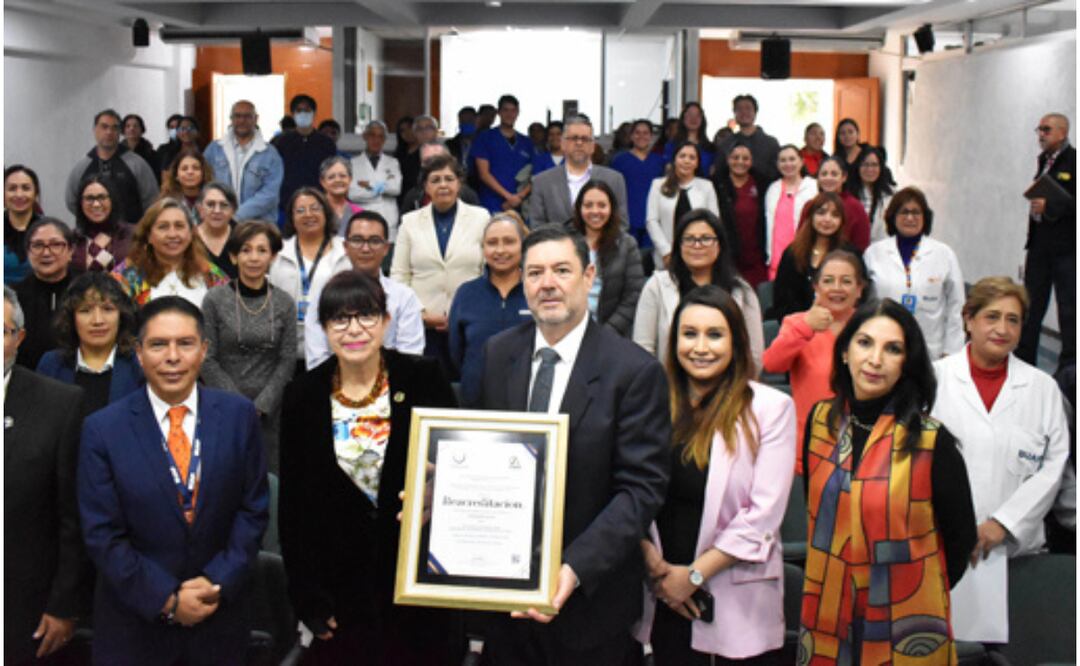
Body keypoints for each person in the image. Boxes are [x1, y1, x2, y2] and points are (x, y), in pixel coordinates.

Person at [476, 224, 671, 664]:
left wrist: (574, 567)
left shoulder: (633, 372)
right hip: (506, 602)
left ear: (589, 276)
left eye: (562, 270)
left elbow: (641, 491)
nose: (547, 283)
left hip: (591, 605)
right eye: (535, 273)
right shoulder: (496, 354)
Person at [78, 296, 269, 665]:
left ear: (204, 350)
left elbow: (253, 510)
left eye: (185, 343)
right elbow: (102, 533)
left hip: (218, 623)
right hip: (134, 630)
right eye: (158, 344)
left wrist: (216, 582)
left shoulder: (238, 416)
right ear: (138, 352)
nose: (172, 357)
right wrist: (166, 598)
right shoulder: (103, 429)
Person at [279, 271, 458, 664]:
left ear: (387, 322)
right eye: (339, 319)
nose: (354, 329)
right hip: (339, 589)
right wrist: (306, 594)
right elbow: (293, 509)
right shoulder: (302, 395)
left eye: (366, 316)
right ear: (324, 328)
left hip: (419, 580)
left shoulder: (423, 378)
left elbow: (456, 467)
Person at [799, 298, 977, 664]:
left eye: (892, 349)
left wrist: (911, 591)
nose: (875, 359)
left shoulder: (931, 441)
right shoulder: (820, 424)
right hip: (828, 617)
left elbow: (960, 542)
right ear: (845, 352)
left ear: (906, 364)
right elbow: (816, 513)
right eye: (864, 343)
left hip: (906, 624)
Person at [635, 285, 795, 665]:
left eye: (715, 335)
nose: (701, 347)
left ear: (736, 342)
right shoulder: (651, 402)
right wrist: (655, 568)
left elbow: (762, 516)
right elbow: (626, 491)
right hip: (658, 595)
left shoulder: (771, 409)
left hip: (731, 598)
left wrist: (689, 578)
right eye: (689, 334)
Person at [931, 278, 1069, 641]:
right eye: (992, 316)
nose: (1002, 329)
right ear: (968, 319)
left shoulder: (1042, 389)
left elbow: (1053, 467)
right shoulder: (934, 380)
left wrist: (1003, 524)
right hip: (937, 551)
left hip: (1016, 556)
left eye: (1013, 320)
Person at [4, 286, 91, 666]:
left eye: (1, 329)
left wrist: (64, 605)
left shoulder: (59, 403)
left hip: (25, 605)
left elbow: (73, 517)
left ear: (19, 338)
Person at [201, 221, 296, 474]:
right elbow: (206, 358)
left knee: (266, 479)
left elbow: (287, 360)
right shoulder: (214, 299)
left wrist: (261, 405)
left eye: (262, 250)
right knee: (221, 477)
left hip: (269, 410)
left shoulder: (284, 302)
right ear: (233, 256)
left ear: (273, 256)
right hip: (221, 406)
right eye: (245, 250)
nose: (254, 258)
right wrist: (237, 404)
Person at [762, 250, 865, 470]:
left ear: (859, 290)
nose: (837, 288)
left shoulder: (872, 325)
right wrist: (806, 328)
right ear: (816, 287)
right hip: (810, 447)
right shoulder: (798, 323)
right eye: (828, 281)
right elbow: (772, 364)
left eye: (846, 281)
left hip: (861, 446)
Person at [634, 209, 764, 374]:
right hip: (669, 390)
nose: (697, 245)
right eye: (689, 239)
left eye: (705, 239)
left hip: (728, 391)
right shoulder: (657, 286)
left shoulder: (741, 290)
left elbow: (753, 355)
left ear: (719, 244)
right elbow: (643, 350)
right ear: (678, 245)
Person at [391, 154, 487, 375]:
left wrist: (459, 313)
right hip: (422, 325)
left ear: (459, 183)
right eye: (435, 180)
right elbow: (399, 275)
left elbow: (486, 271)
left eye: (448, 178)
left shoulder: (481, 218)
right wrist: (420, 314)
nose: (442, 185)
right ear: (425, 186)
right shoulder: (410, 222)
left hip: (469, 323)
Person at [304, 210, 425, 369]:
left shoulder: (403, 297)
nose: (366, 249)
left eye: (374, 241)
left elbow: (410, 358)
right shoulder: (324, 294)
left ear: (386, 248)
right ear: (345, 246)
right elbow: (317, 359)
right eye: (357, 240)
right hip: (332, 385)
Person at [863, 186, 965, 359]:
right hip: (882, 344)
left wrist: (952, 350)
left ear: (925, 217)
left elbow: (957, 305)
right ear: (893, 216)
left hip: (931, 348)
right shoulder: (874, 253)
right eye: (904, 212)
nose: (910, 218)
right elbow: (864, 302)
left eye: (916, 212)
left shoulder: (943, 254)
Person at [448, 211, 531, 407]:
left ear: (523, 246)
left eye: (509, 241)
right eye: (492, 243)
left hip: (527, 401)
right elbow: (456, 352)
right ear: (483, 248)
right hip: (475, 400)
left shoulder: (536, 290)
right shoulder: (466, 293)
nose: (500, 250)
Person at [37, 272, 144, 419]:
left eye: (108, 309)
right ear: (71, 318)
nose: (98, 321)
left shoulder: (138, 364)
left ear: (121, 316)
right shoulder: (52, 365)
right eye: (85, 311)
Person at [1018, 112, 1075, 372]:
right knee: (1031, 306)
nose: (1041, 135)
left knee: (1068, 311)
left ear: (1062, 133)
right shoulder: (1044, 161)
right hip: (1039, 247)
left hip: (1066, 251)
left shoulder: (1073, 162)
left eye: (1046, 129)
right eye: (1039, 129)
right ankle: (1024, 361)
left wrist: (1050, 205)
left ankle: (1068, 369)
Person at [269, 187, 351, 369]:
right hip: (286, 346)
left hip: (333, 345)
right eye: (300, 210)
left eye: (315, 208)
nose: (308, 215)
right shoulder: (278, 252)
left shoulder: (345, 250)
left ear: (326, 212)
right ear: (291, 217)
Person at [112, 197, 229, 307]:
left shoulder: (210, 274)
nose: (172, 235)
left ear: (191, 234)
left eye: (179, 226)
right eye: (163, 227)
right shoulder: (129, 274)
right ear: (148, 236)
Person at [568, 180, 643, 337]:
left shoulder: (627, 244)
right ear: (579, 208)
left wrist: (606, 333)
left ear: (612, 209)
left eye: (602, 205)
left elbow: (633, 295)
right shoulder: (564, 241)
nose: (595, 211)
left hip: (611, 334)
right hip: (568, 330)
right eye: (588, 205)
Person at [771, 192, 859, 322]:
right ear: (811, 216)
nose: (827, 219)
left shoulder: (851, 255)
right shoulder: (792, 253)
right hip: (800, 327)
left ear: (841, 221)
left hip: (841, 326)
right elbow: (782, 301)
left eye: (835, 215)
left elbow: (858, 298)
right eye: (821, 212)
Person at [65, 109, 159, 227]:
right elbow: (72, 201)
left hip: (130, 238)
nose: (109, 132)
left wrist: (138, 230)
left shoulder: (137, 165)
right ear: (95, 130)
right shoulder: (82, 167)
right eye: (104, 127)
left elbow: (152, 200)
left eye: (114, 128)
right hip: (92, 235)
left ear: (120, 132)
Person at [530, 115, 629, 228]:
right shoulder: (541, 182)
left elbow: (621, 225)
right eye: (573, 138)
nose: (579, 143)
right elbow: (537, 227)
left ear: (593, 146)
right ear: (563, 144)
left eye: (585, 139)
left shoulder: (614, 180)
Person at [202, 100, 285, 221]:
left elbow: (270, 194)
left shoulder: (270, 154)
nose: (242, 120)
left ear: (256, 119)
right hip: (220, 223)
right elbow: (205, 184)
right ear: (231, 118)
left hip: (259, 226)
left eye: (247, 116)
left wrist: (237, 216)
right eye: (237, 116)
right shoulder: (214, 149)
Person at [14, 218, 78, 369]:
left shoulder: (87, 290)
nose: (46, 252)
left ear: (70, 251)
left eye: (56, 244)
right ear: (28, 252)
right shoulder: (13, 297)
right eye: (38, 245)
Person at [646, 141, 720, 269]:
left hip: (699, 255)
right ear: (674, 159)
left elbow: (714, 222)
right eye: (682, 156)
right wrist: (666, 251)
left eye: (692, 157)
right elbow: (651, 221)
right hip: (666, 258)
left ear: (697, 163)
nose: (687, 161)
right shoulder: (658, 185)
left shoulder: (706, 186)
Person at [712, 139, 769, 288]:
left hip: (756, 255)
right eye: (735, 157)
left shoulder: (762, 183)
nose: (740, 162)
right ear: (728, 160)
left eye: (745, 158)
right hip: (727, 255)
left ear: (751, 161)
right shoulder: (717, 184)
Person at [611, 120, 665, 265]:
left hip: (653, 219)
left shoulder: (660, 161)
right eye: (637, 133)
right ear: (631, 136)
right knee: (627, 261)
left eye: (645, 133)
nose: (641, 136)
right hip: (627, 220)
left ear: (651, 136)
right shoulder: (619, 161)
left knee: (651, 262)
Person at [272, 94, 339, 212]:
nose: (303, 113)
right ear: (293, 114)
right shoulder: (279, 142)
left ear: (314, 113)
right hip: (285, 203)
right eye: (299, 110)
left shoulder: (326, 143)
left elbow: (331, 173)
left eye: (307, 110)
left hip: (318, 202)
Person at [472, 94, 534, 213]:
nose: (509, 114)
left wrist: (519, 197)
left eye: (513, 110)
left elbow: (534, 175)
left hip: (520, 204)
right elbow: (484, 174)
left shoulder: (527, 142)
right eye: (505, 110)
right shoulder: (485, 138)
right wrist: (508, 197)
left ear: (518, 113)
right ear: (498, 112)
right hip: (492, 202)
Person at [764, 144, 817, 280]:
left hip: (804, 257)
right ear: (777, 164)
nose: (788, 164)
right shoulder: (772, 189)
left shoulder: (813, 187)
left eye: (792, 159)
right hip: (776, 260)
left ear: (801, 161)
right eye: (783, 160)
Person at [351, 121, 403, 244]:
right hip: (363, 221)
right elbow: (352, 194)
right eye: (372, 135)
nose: (376, 140)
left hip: (389, 222)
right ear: (365, 137)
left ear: (385, 139)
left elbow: (396, 188)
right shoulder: (353, 163)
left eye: (380, 136)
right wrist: (383, 189)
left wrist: (369, 186)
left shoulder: (393, 162)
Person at [71, 174, 136, 273]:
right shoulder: (72, 239)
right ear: (80, 203)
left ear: (112, 200)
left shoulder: (133, 234)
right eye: (89, 198)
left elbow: (139, 281)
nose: (96, 204)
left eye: (101, 197)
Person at [399, 142, 481, 213]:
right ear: (421, 164)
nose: (433, 165)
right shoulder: (413, 197)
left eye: (438, 160)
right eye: (427, 161)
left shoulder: (467, 195)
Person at [716, 95, 781, 182]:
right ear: (734, 113)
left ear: (755, 112)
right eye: (739, 109)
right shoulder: (726, 143)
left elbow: (777, 173)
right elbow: (720, 172)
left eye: (748, 108)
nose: (744, 112)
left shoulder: (771, 143)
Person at [812, 155, 870, 251]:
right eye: (824, 174)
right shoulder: (810, 205)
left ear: (844, 177)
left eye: (834, 174)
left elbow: (861, 246)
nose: (828, 178)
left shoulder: (855, 207)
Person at [4, 164, 41, 285]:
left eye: (26, 188)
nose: (19, 195)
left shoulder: (48, 230)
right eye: (12, 188)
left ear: (36, 193)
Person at [848, 146, 894, 242]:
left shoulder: (891, 195)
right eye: (865, 165)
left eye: (874, 165)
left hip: (881, 248)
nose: (870, 169)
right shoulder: (849, 193)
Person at [195, 182, 239, 280]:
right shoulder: (189, 238)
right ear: (200, 209)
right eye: (210, 204)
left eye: (224, 205)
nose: (217, 211)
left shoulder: (244, 237)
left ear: (233, 210)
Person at [662, 102, 715, 176]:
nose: (693, 118)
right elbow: (668, 170)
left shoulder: (711, 148)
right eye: (690, 115)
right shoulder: (672, 146)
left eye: (697, 115)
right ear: (683, 118)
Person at [160, 147, 214, 218]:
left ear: (203, 173)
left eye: (196, 168)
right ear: (176, 175)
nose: (190, 172)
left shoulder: (214, 200)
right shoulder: (166, 204)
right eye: (184, 169)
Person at [399, 115, 440, 203]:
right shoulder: (409, 157)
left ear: (436, 131)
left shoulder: (444, 153)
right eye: (419, 129)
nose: (424, 132)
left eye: (428, 128)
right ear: (414, 133)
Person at [320, 155, 364, 230]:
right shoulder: (315, 210)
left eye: (342, 176)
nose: (337, 180)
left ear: (350, 179)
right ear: (323, 182)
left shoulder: (359, 213)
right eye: (331, 177)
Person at [157, 115, 202, 180]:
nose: (186, 132)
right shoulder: (171, 154)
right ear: (177, 133)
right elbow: (166, 180)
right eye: (182, 129)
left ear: (198, 132)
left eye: (191, 128)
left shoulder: (206, 152)